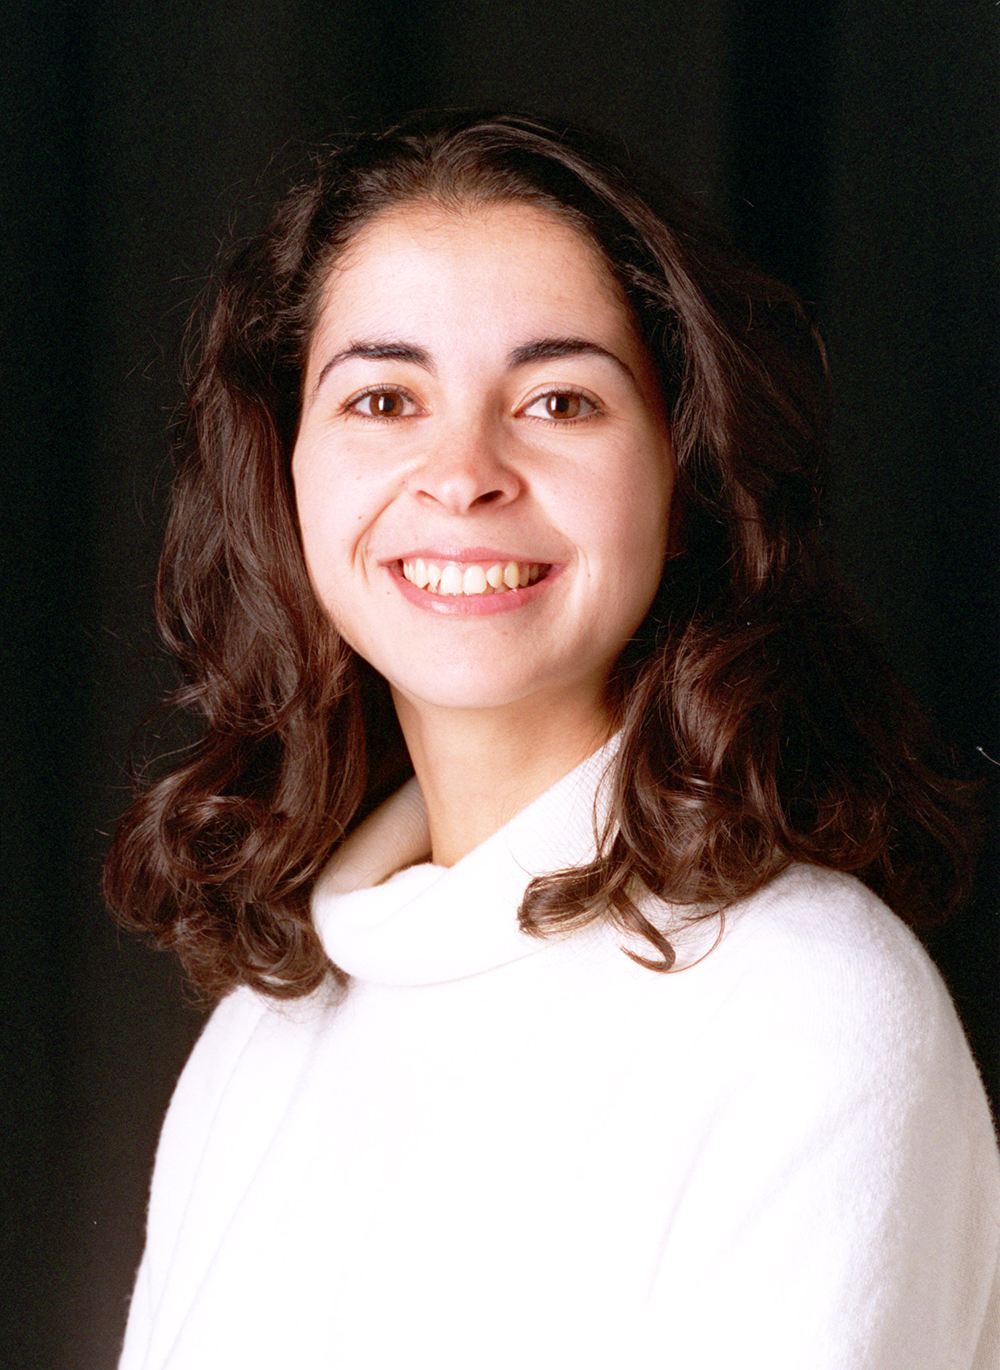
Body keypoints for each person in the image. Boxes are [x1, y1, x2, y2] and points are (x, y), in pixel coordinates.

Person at [105, 111, 1000, 1369]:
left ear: (686, 482)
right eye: (383, 398)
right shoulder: (266, 1030)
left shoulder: (806, 1012)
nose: (461, 471)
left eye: (559, 400)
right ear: (284, 472)